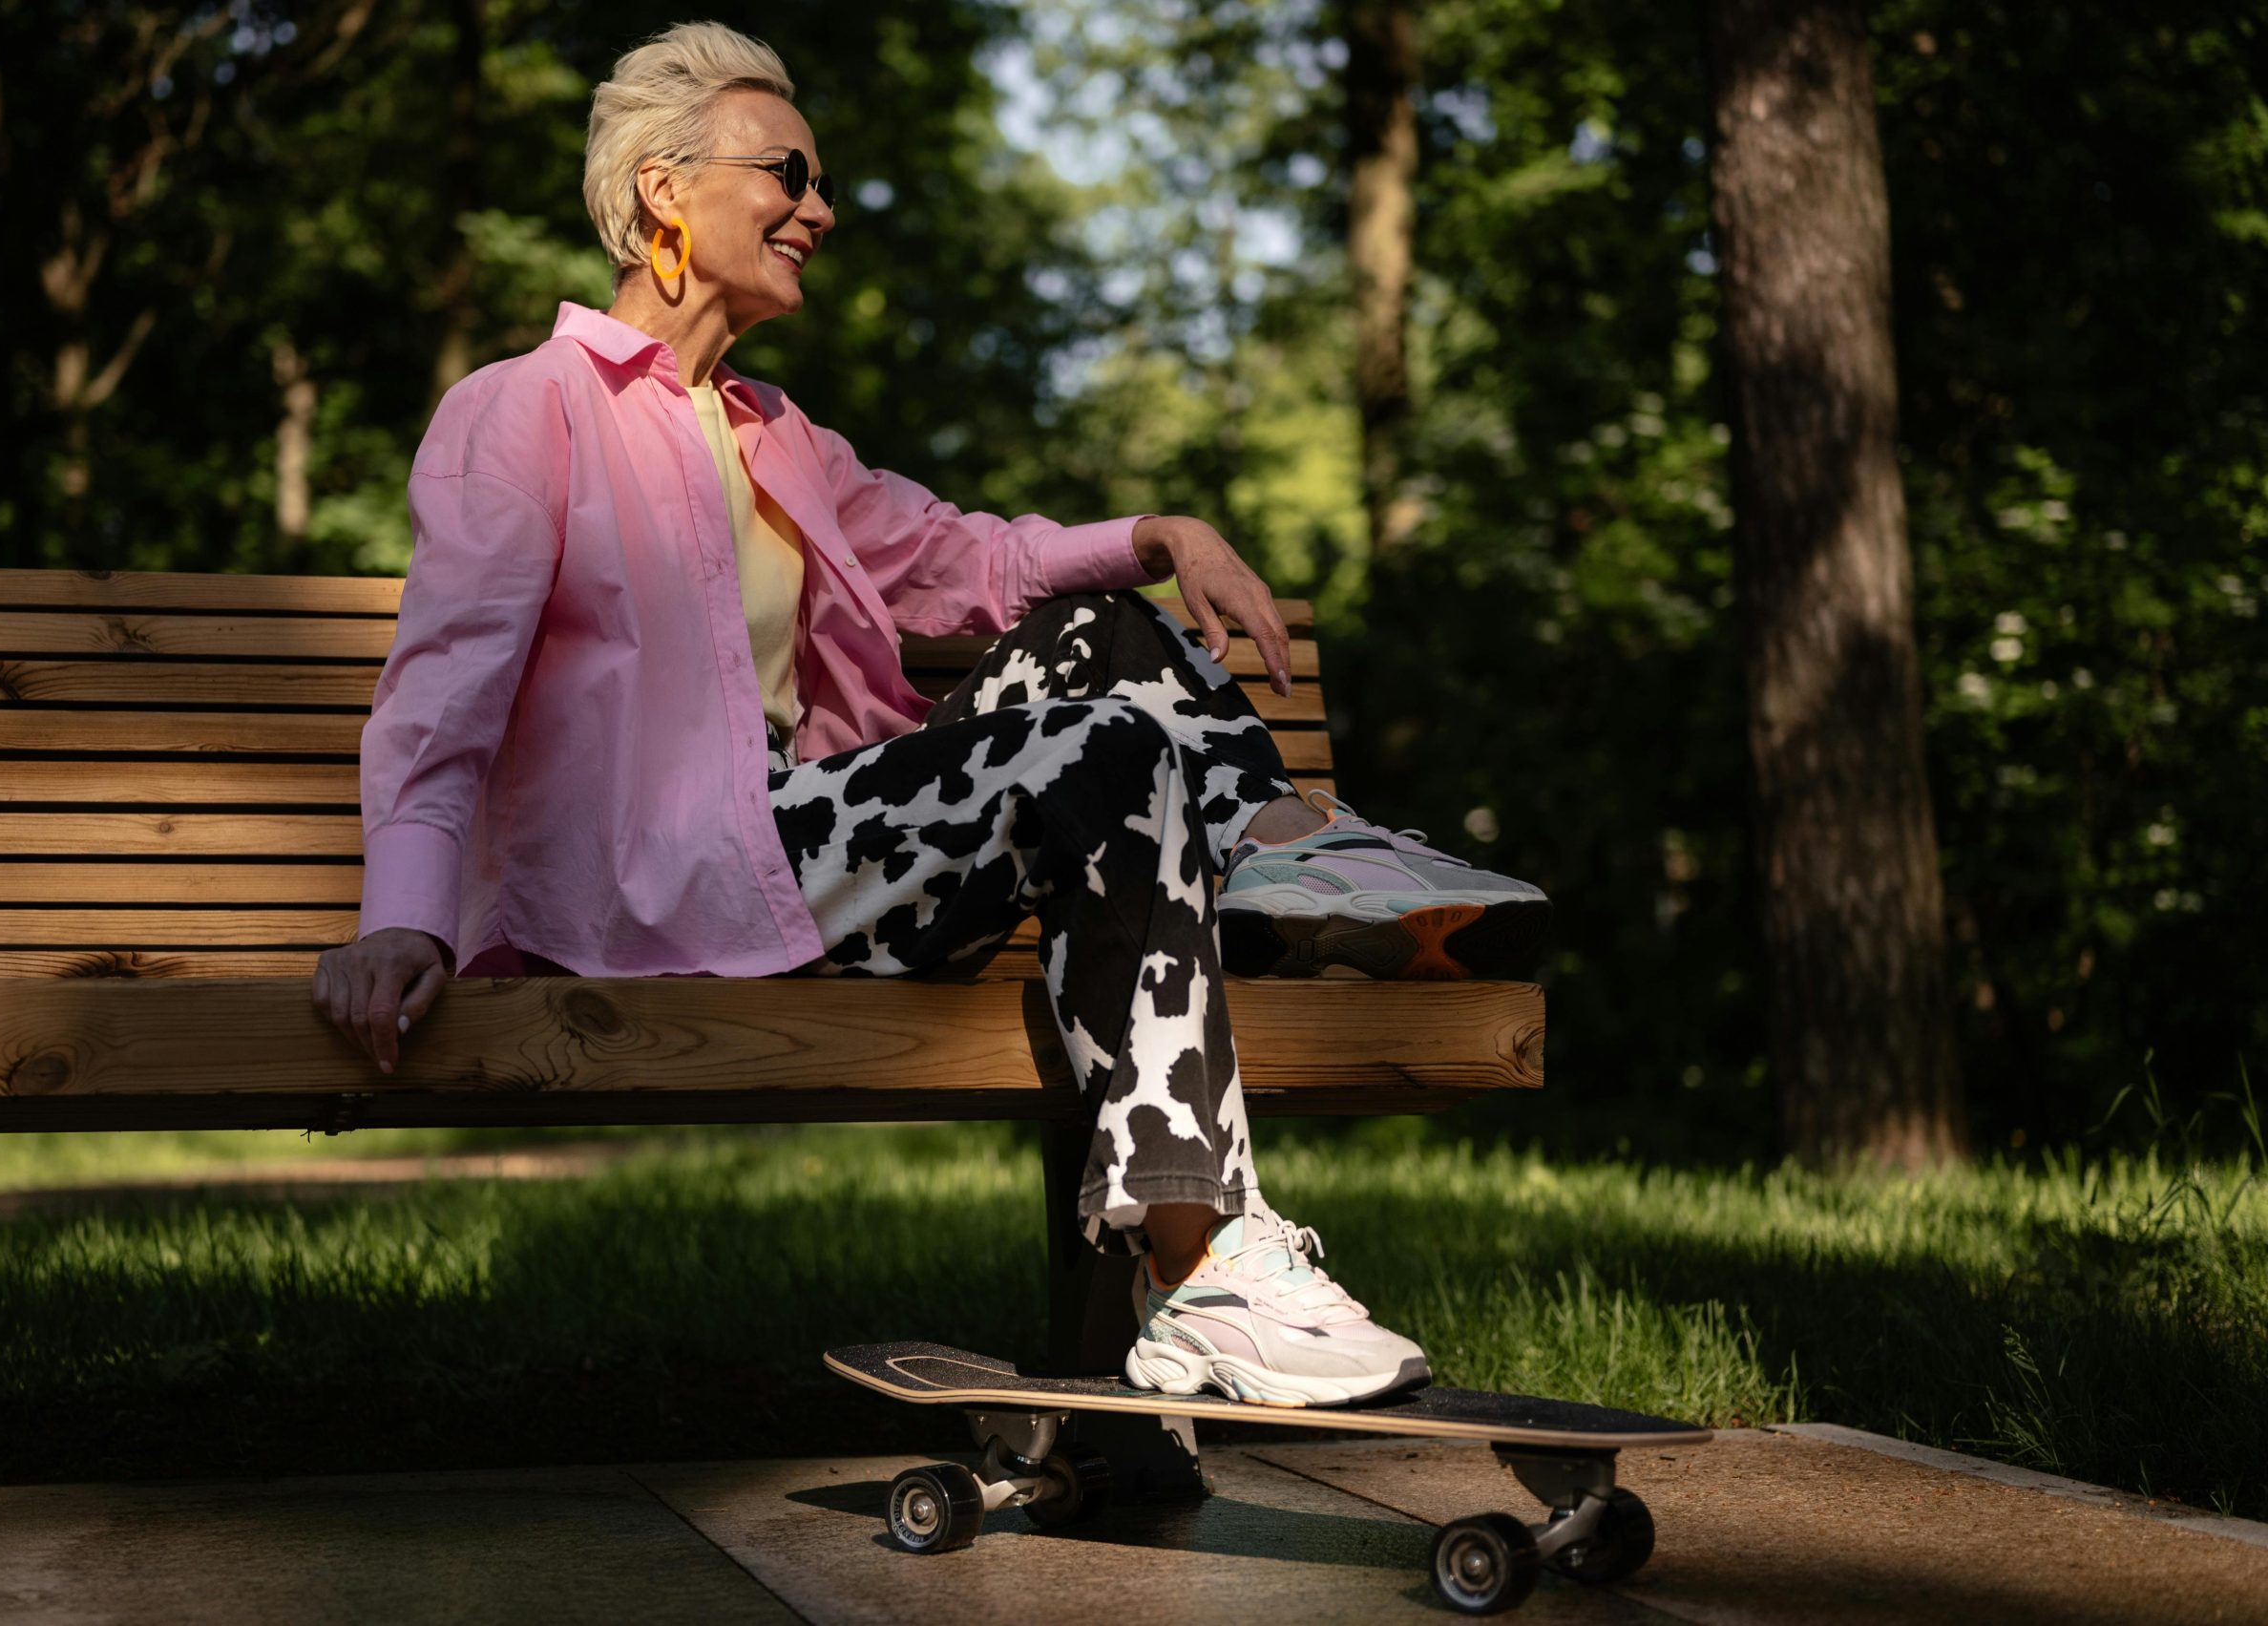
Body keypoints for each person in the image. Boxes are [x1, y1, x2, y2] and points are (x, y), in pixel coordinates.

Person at [312, 21, 1549, 1408]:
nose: (819, 210)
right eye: (787, 173)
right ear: (664, 189)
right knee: (1108, 755)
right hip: (666, 881)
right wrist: (402, 919)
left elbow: (975, 564)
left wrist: (1159, 528)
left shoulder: (781, 436)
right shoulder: (523, 411)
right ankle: (1206, 1267)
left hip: (822, 848)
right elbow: (444, 682)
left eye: (818, 183)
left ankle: (1293, 872)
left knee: (1105, 637)